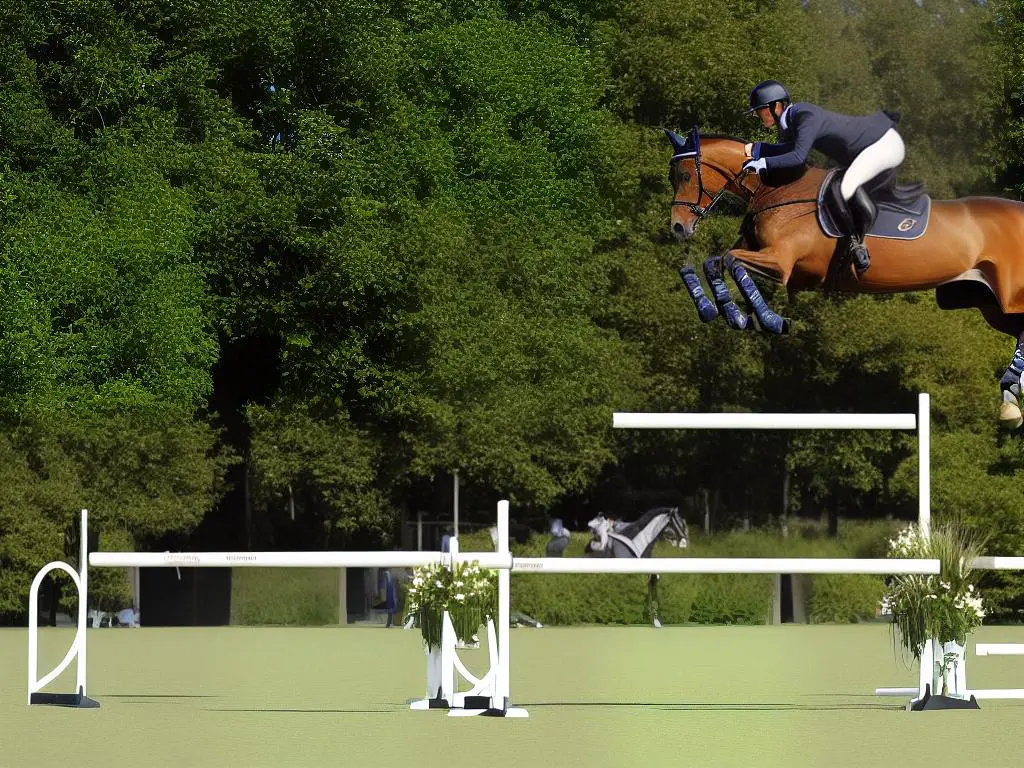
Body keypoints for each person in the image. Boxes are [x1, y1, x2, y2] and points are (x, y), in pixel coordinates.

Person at [739, 79, 906, 275]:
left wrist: (763, 162)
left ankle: (857, 245)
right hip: (863, 151)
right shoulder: (791, 122)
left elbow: (798, 157)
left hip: (882, 144)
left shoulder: (804, 115)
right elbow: (789, 149)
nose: (760, 116)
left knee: (845, 186)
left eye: (761, 111)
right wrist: (758, 149)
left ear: (776, 106)